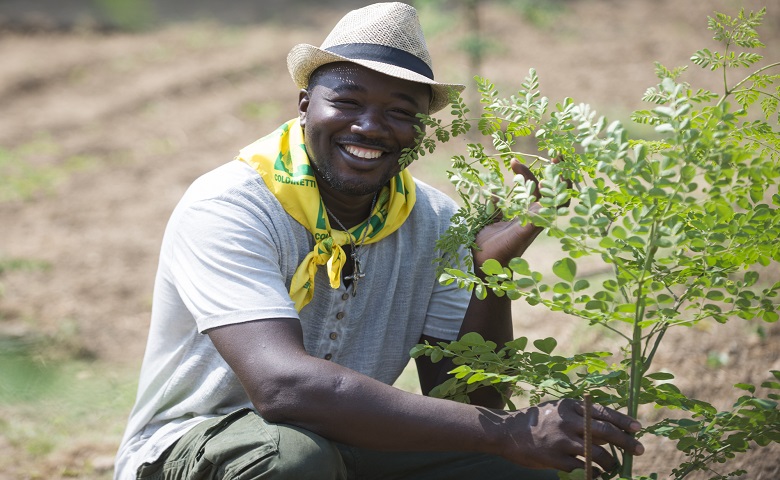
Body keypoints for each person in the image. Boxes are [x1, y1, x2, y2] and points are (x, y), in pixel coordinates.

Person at [114, 3, 644, 479]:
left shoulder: (434, 221)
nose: (371, 127)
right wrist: (508, 432)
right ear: (304, 104)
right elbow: (283, 389)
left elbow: (470, 399)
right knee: (294, 460)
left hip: (346, 443)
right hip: (193, 449)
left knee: (535, 468)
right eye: (347, 102)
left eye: (399, 112)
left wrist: (485, 274)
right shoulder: (232, 205)